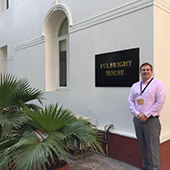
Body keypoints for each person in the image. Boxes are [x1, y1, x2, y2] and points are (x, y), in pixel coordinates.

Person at [128, 62, 166, 170]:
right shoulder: (135, 86)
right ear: (140, 72)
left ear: (151, 71)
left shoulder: (158, 85)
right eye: (143, 70)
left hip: (151, 121)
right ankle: (146, 167)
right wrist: (137, 114)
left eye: (148, 70)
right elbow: (130, 101)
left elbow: (160, 102)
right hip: (138, 120)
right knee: (143, 147)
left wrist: (146, 114)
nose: (146, 72)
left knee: (153, 149)